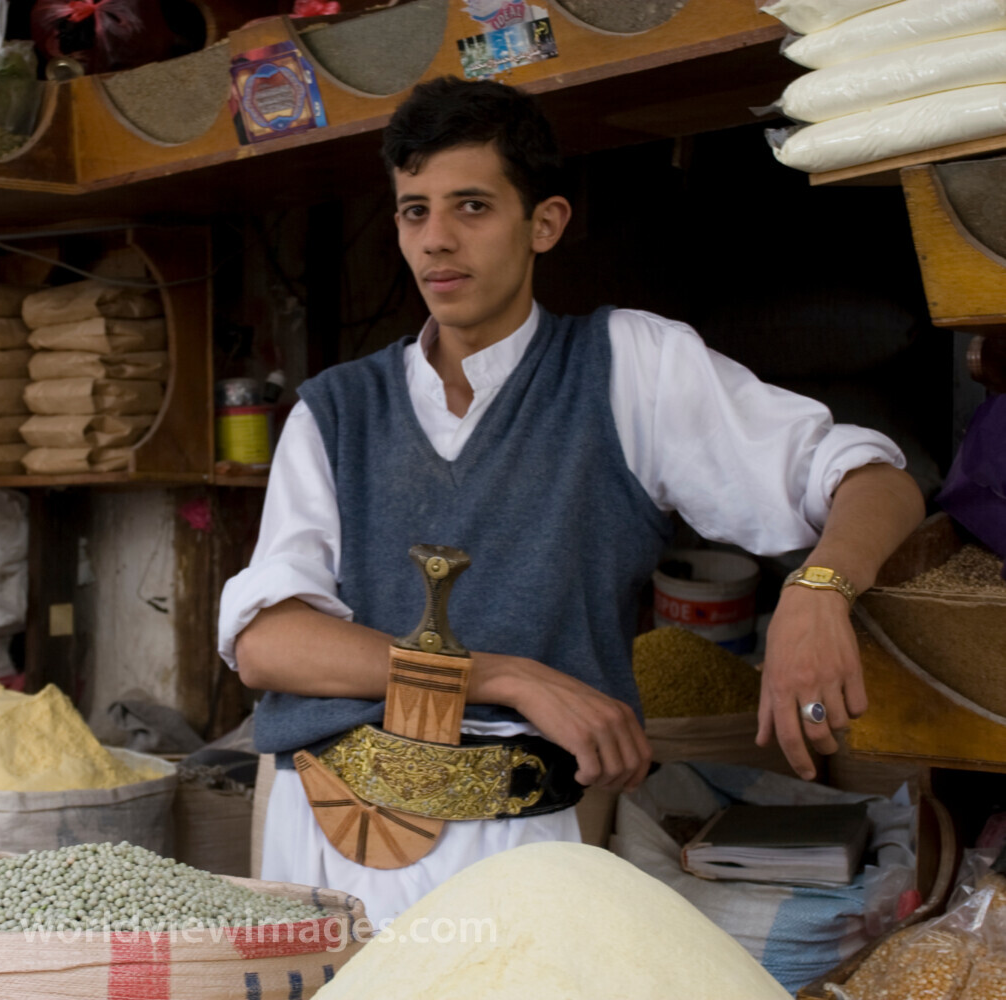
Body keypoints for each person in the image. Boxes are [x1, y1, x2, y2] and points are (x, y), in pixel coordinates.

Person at [218, 77, 926, 926]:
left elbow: (875, 481)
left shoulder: (628, 367)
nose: (437, 241)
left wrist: (819, 593)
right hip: (325, 826)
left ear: (544, 222)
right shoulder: (335, 409)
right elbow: (267, 643)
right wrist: (506, 676)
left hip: (522, 833)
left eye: (472, 206)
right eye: (414, 211)